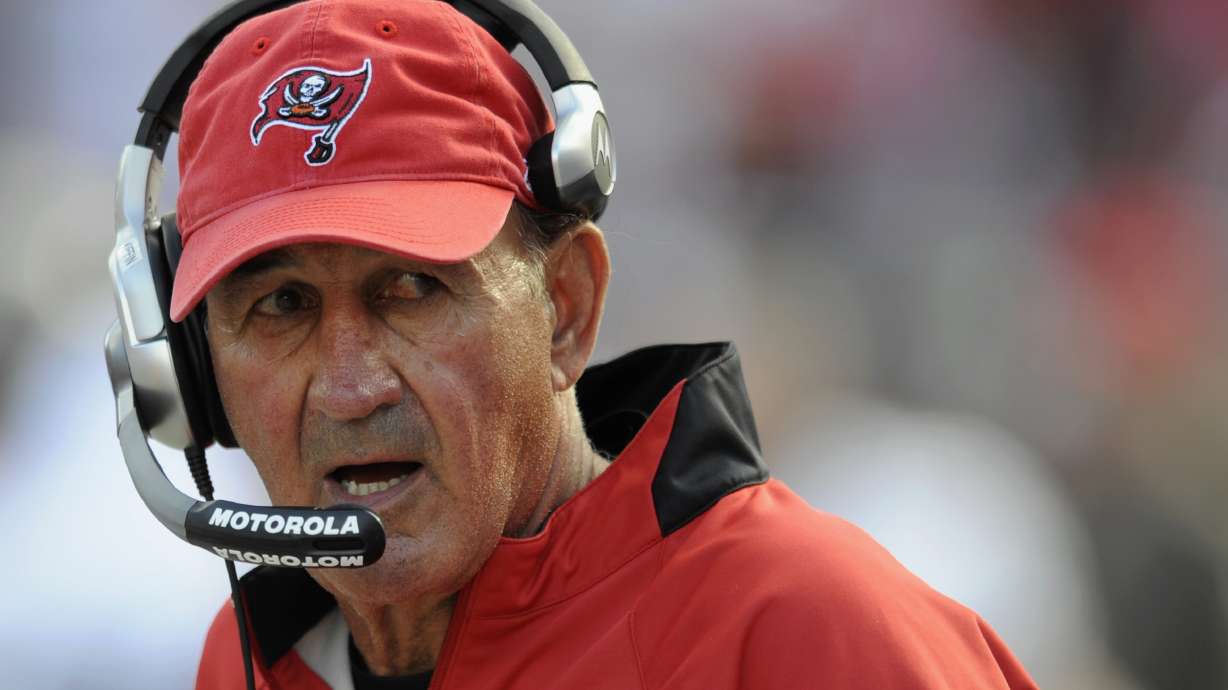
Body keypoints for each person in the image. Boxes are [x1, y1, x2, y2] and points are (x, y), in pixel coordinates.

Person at [160, 1, 1039, 688]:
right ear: (193, 374)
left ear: (567, 308)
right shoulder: (246, 662)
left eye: (413, 288)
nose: (351, 388)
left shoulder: (810, 632)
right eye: (280, 304)